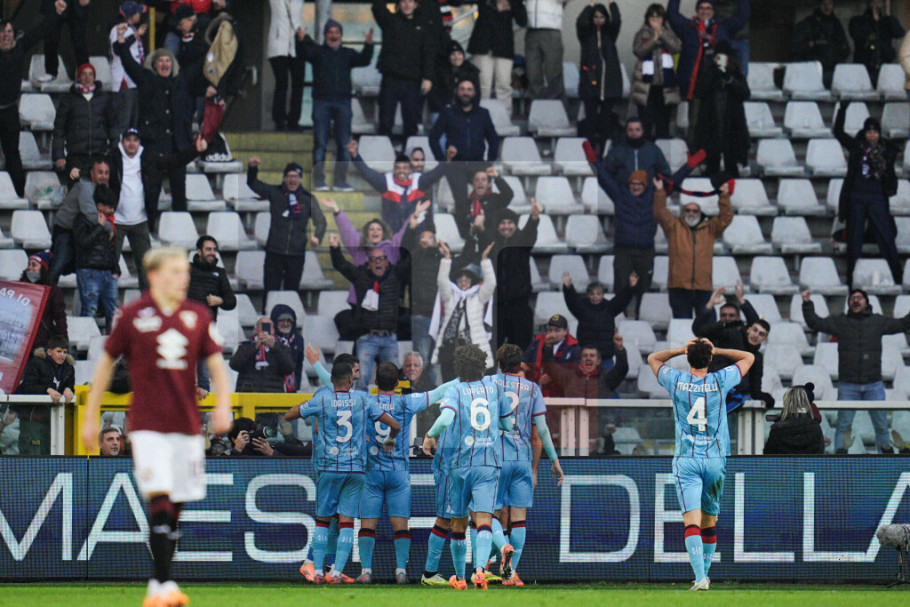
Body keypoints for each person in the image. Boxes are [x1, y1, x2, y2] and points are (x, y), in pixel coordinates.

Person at [80, 246, 233, 607]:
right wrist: (90, 415)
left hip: (187, 426)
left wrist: (223, 405)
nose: (184, 279)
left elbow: (216, 365)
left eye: (185, 273)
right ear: (154, 276)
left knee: (175, 508)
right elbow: (104, 365)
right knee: (160, 498)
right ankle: (164, 585)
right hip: (147, 425)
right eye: (175, 272)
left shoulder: (197, 314)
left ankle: (158, 586)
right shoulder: (134, 315)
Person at [647, 338, 754, 591]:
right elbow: (748, 357)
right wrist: (719, 349)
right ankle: (703, 576)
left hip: (687, 459)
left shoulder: (676, 380)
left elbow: (653, 358)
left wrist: (679, 350)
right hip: (715, 459)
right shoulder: (720, 380)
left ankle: (700, 578)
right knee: (709, 521)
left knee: (691, 521)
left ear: (687, 357)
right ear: (710, 359)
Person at [284, 362, 401, 584]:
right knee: (346, 523)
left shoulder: (322, 399)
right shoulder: (363, 400)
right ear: (350, 380)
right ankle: (336, 573)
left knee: (323, 522)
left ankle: (318, 572)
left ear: (331, 380)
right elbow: (395, 425)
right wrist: (390, 439)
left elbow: (290, 415)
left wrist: (309, 411)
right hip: (355, 470)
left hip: (329, 467)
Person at [422, 344, 513, 590]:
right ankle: (480, 571)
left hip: (460, 464)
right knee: (484, 519)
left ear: (459, 367)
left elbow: (445, 419)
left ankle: (460, 578)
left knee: (458, 522)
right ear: (483, 366)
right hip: (488, 463)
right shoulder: (495, 388)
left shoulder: (455, 390)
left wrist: (429, 435)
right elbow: (507, 424)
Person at [590, 140, 705, 315]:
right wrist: (594, 162)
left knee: (643, 289)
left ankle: (639, 319)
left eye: (639, 184)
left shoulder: (654, 197)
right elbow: (604, 179)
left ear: (645, 185)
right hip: (623, 251)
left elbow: (673, 182)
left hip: (645, 252)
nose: (635, 187)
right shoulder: (619, 195)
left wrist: (689, 166)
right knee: (620, 288)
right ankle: (618, 320)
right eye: (633, 184)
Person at [489, 343, 563, 586]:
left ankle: (502, 548)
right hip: (521, 460)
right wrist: (554, 460)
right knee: (519, 518)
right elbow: (542, 430)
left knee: (490, 514)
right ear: (520, 365)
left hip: (495, 459)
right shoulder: (532, 389)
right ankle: (510, 572)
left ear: (499, 363)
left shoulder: (488, 384)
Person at [802, 288, 910, 454]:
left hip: (874, 384)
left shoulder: (877, 321)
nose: (856, 300)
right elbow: (815, 323)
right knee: (843, 426)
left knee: (881, 426)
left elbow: (903, 324)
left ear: (866, 302)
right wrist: (807, 304)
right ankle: (839, 461)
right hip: (848, 385)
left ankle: (886, 462)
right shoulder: (841, 322)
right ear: (849, 303)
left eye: (859, 298)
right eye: (852, 298)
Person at [113, 22, 203, 212]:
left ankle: (179, 226)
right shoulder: (145, 78)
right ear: (154, 64)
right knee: (150, 196)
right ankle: (148, 227)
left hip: (178, 148)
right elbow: (127, 60)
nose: (165, 64)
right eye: (160, 61)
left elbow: (201, 63)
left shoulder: (182, 81)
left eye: (168, 60)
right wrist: (122, 39)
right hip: (153, 148)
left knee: (180, 197)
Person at [110, 129, 207, 290]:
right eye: (128, 140)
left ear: (139, 142)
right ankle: (105, 303)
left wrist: (194, 150)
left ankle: (148, 302)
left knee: (146, 268)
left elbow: (174, 161)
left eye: (135, 140)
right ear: (122, 141)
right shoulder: (112, 157)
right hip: (116, 221)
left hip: (140, 221)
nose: (132, 144)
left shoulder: (149, 157)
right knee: (109, 266)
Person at [0, 0, 67, 198]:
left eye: (9, 32)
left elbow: (41, 30)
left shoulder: (20, 47)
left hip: (9, 110)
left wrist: (56, 14)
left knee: (13, 154)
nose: (6, 35)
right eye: (2, 32)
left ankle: (19, 194)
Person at [296, 21, 374, 191]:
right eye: (330, 32)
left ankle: (340, 181)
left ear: (341, 35)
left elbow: (364, 60)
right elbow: (303, 55)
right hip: (321, 102)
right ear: (325, 35)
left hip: (343, 102)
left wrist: (368, 45)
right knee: (320, 143)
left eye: (337, 32)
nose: (334, 35)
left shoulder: (347, 53)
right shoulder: (317, 52)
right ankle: (319, 181)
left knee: (344, 143)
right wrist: (300, 41)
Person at [833, 103, 902, 288]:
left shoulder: (886, 150)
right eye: (869, 132)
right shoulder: (856, 147)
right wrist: (842, 110)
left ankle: (898, 277)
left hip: (876, 197)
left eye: (875, 132)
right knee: (854, 241)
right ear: (864, 133)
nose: (872, 135)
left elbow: (889, 177)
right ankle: (852, 280)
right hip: (856, 197)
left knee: (886, 238)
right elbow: (838, 133)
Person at [330, 233, 411, 389]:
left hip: (389, 337)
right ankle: (361, 405)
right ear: (369, 263)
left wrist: (415, 239)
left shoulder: (395, 275)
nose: (378, 262)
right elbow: (342, 265)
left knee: (393, 380)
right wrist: (335, 248)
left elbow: (409, 262)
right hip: (367, 338)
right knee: (362, 378)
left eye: (381, 258)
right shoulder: (361, 276)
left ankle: (390, 405)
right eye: (374, 259)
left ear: (387, 261)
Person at [666, 0, 750, 144]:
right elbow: (672, 15)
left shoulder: (724, 27)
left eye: (708, 8)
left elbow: (742, 16)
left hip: (719, 85)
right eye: (701, 8)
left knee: (717, 124)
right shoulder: (688, 28)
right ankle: (694, 154)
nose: (705, 11)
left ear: (714, 10)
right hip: (697, 85)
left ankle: (714, 155)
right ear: (697, 10)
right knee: (695, 124)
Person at [655, 177, 733, 318]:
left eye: (695, 211)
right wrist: (660, 191)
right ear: (684, 212)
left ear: (700, 213)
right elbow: (660, 212)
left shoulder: (710, 228)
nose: (691, 213)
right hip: (679, 287)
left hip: (703, 287)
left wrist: (724, 195)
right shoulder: (673, 227)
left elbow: (726, 217)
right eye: (688, 210)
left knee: (708, 326)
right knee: (682, 326)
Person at [246, 157, 327, 291]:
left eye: (296, 176)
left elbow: (321, 221)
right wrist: (252, 168)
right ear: (284, 178)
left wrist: (318, 236)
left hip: (296, 254)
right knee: (270, 291)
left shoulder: (308, 199)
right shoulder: (275, 192)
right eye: (289, 176)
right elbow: (253, 183)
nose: (293, 180)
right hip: (275, 252)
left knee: (291, 292)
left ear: (300, 179)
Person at [692, 284, 774, 411]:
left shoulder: (748, 343)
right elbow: (697, 329)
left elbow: (756, 325)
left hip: (740, 396)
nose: (727, 319)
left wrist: (741, 301)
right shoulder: (718, 333)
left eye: (731, 316)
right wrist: (710, 305)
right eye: (724, 316)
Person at [542, 338, 628, 446]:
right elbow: (550, 368)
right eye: (585, 356)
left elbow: (622, 369)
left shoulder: (606, 379)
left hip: (599, 436)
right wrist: (548, 346)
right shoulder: (569, 377)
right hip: (571, 437)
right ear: (580, 360)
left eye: (592, 356)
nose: (588, 358)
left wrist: (620, 349)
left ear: (598, 361)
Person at [428, 78, 499, 209]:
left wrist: (490, 162)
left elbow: (493, 139)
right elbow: (433, 137)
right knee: (461, 205)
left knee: (484, 204)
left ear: (474, 93)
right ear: (457, 92)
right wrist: (442, 160)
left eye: (469, 89)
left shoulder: (483, 114)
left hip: (478, 164)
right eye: (462, 89)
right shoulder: (448, 113)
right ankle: (462, 223)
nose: (465, 93)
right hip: (456, 166)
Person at [348, 140, 446, 234]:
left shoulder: (419, 181)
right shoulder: (387, 182)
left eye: (404, 168)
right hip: (392, 236)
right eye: (398, 168)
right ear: (394, 170)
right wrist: (355, 155)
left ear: (410, 170)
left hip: (415, 235)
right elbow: (367, 173)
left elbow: (436, 173)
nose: (401, 171)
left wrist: (448, 159)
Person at [431, 243, 496, 381]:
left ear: (472, 282)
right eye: (460, 279)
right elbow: (442, 281)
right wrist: (446, 259)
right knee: (449, 381)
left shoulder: (478, 297)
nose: (464, 282)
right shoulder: (450, 297)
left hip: (472, 346)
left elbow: (491, 283)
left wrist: (485, 260)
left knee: (471, 382)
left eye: (467, 280)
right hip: (451, 347)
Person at [372, 0, 435, 140]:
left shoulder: (424, 25)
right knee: (385, 122)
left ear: (416, 4)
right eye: (403, 1)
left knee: (411, 124)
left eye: (410, 1)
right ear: (399, 4)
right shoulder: (390, 21)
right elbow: (377, 6)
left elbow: (428, 54)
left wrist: (428, 77)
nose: (407, 5)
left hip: (412, 81)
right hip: (391, 79)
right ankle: (383, 153)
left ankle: (411, 153)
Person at [487, 204, 541, 350]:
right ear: (497, 226)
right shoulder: (492, 244)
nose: (506, 226)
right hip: (497, 307)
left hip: (519, 307)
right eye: (503, 223)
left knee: (521, 352)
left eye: (510, 223)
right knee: (491, 351)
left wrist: (534, 218)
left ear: (516, 225)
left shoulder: (522, 242)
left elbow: (529, 233)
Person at [50, 158, 111, 285]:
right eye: (100, 172)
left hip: (80, 231)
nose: (104, 176)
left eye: (106, 173)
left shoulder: (99, 187)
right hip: (66, 229)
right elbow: (90, 214)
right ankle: (44, 294)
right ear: (92, 173)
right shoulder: (86, 187)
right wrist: (109, 228)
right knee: (57, 267)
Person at [693, 40, 750, 177]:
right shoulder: (709, 72)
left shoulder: (736, 74)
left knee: (732, 164)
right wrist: (714, 74)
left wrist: (730, 79)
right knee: (711, 163)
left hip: (731, 124)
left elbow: (745, 93)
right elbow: (699, 91)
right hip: (711, 123)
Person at [52, 64, 115, 183]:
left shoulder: (104, 99)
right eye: (84, 74)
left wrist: (113, 151)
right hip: (76, 156)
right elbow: (59, 129)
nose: (87, 77)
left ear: (94, 77)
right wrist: (59, 155)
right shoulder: (68, 99)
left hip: (99, 154)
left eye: (91, 74)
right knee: (76, 190)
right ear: (79, 77)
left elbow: (113, 127)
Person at [15, 335, 75, 455]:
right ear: (49, 352)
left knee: (48, 452)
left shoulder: (69, 368)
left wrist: (69, 390)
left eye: (65, 352)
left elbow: (70, 385)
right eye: (59, 351)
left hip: (53, 419)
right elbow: (27, 387)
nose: (62, 355)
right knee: (32, 452)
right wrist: (47, 390)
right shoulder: (37, 363)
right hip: (32, 417)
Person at [465, 0, 526, 116]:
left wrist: (512, 4)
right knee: (483, 86)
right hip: (483, 45)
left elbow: (523, 20)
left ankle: (504, 117)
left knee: (504, 85)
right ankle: (479, 118)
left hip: (504, 46)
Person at [577, 0, 623, 152]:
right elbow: (580, 22)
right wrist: (590, 5)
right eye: (595, 17)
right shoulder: (585, 35)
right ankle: (590, 154)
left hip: (608, 87)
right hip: (590, 85)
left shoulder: (610, 34)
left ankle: (603, 153)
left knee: (605, 124)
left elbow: (617, 20)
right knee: (590, 124)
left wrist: (612, 3)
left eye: (602, 17)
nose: (598, 20)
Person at [73, 185, 120, 333]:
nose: (112, 211)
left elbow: (110, 249)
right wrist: (99, 227)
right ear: (99, 205)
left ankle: (112, 344)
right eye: (109, 207)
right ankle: (84, 343)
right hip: (89, 271)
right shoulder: (82, 219)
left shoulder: (108, 224)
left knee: (113, 312)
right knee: (89, 310)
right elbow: (83, 243)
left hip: (107, 272)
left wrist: (115, 270)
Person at [632, 4, 682, 141]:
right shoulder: (641, 33)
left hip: (665, 86)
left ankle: (661, 150)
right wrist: (653, 40)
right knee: (646, 123)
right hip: (646, 85)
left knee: (663, 124)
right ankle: (646, 149)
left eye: (658, 16)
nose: (655, 19)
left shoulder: (669, 32)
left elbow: (676, 48)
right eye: (652, 16)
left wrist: (662, 34)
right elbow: (639, 51)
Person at [563, 273, 635, 364]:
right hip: (586, 357)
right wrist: (568, 287)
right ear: (588, 295)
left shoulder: (610, 308)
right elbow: (572, 301)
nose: (595, 296)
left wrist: (630, 287)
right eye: (592, 294)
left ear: (603, 295)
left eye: (598, 294)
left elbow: (622, 299)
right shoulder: (582, 309)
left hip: (606, 357)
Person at [402, 215, 443, 368]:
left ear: (436, 241)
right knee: (421, 359)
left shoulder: (441, 259)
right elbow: (405, 247)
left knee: (435, 361)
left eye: (430, 238)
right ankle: (420, 383)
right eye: (423, 238)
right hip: (420, 315)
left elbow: (462, 260)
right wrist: (412, 228)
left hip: (439, 316)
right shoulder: (415, 257)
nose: (426, 240)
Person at [791, 0, 851, 89]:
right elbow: (795, 47)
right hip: (813, 73)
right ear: (819, 5)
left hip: (833, 73)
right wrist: (811, 46)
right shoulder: (808, 23)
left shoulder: (836, 24)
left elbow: (846, 48)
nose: (827, 7)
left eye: (829, 4)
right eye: (824, 4)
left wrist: (838, 61)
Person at [109, 2, 148, 134]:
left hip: (134, 80)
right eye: (138, 13)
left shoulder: (131, 29)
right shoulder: (118, 29)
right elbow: (118, 50)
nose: (140, 15)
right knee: (123, 120)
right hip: (124, 80)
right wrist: (136, 35)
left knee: (133, 121)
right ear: (131, 15)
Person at [229, 317, 296, 393]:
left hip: (272, 395)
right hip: (248, 394)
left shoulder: (281, 347)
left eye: (268, 325)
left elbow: (289, 368)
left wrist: (274, 347)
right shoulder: (245, 346)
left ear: (273, 330)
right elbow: (234, 364)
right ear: (256, 329)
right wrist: (254, 347)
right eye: (261, 325)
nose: (264, 328)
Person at [522, 314, 580, 397]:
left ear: (565, 331)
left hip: (561, 393)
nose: (553, 334)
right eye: (550, 330)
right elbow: (526, 360)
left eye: (557, 330)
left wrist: (553, 375)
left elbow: (574, 372)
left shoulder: (573, 348)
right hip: (538, 389)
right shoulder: (538, 343)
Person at [267, 0, 304, 131]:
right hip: (278, 44)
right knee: (282, 82)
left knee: (298, 84)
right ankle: (279, 120)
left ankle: (294, 120)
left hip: (297, 44)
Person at [19, 252, 67, 352]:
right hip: (20, 342)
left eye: (34, 265)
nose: (30, 268)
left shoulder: (53, 291)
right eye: (29, 264)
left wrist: (62, 344)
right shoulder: (20, 288)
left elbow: (60, 318)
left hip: (41, 343)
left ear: (43, 268)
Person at [603, 117, 672, 186]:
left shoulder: (653, 149)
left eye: (637, 130)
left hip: (649, 190)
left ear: (643, 131)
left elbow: (665, 172)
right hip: (622, 191)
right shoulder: (618, 150)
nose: (634, 133)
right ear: (626, 131)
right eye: (630, 130)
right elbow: (605, 172)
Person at [849, 0, 905, 86]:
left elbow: (900, 33)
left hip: (884, 64)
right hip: (865, 65)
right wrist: (872, 20)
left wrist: (885, 18)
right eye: (874, 2)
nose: (876, 5)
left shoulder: (887, 22)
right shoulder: (859, 21)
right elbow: (856, 34)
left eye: (879, 2)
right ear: (869, 4)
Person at [454, 166, 513, 242]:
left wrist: (496, 177)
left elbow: (508, 194)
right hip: (473, 243)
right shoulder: (466, 204)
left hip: (493, 243)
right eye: (477, 180)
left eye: (483, 180)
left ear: (488, 184)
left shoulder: (495, 200)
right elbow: (462, 230)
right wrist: (471, 231)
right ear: (473, 184)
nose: (480, 182)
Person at [525, 0, 568, 101]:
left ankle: (556, 104)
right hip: (531, 28)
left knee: (553, 71)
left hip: (551, 27)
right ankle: (535, 103)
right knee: (532, 71)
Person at [187, 235, 236, 323]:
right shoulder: (186, 269)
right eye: (208, 249)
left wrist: (220, 301)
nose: (212, 253)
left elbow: (231, 301)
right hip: (188, 322)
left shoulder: (220, 273)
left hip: (208, 324)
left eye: (214, 249)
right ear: (199, 251)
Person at [763, 386, 825, 455]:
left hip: (784, 462)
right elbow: (820, 454)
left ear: (787, 403)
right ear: (807, 403)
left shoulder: (777, 429)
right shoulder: (815, 428)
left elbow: (768, 455)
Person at [429, 40, 480, 121]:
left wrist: (468, 109)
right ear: (448, 57)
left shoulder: (471, 71)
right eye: (453, 54)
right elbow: (434, 95)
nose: (457, 57)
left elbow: (476, 94)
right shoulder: (439, 72)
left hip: (464, 110)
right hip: (442, 110)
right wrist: (444, 109)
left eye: (459, 54)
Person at [41, 0, 88, 81]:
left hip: (76, 4)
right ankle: (50, 72)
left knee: (79, 40)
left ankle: (84, 73)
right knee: (51, 37)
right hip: (54, 3)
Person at [271, 304, 304, 392]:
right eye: (282, 320)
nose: (285, 324)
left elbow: (299, 365)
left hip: (291, 388)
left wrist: (297, 386)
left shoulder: (298, 340)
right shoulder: (270, 339)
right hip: (273, 387)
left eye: (289, 321)